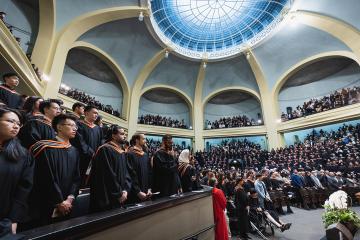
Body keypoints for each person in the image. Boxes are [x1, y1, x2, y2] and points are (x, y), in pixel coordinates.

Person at [29, 114, 80, 226]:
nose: (75, 128)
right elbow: (45, 177)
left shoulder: (74, 151)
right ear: (59, 127)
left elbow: (76, 178)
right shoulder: (45, 147)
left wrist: (70, 198)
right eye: (71, 125)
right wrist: (59, 202)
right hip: (45, 202)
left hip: (67, 203)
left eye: (75, 126)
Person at [0, 108, 34, 236]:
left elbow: (23, 189)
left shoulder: (23, 155)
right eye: (10, 121)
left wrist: (13, 219)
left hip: (3, 221)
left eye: (19, 124)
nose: (16, 126)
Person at [89, 125, 131, 212]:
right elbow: (108, 174)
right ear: (113, 136)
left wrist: (125, 190)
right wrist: (118, 194)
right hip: (107, 195)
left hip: (121, 194)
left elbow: (126, 172)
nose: (125, 136)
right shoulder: (105, 149)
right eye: (122, 134)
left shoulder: (122, 152)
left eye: (125, 134)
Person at [71, 105, 103, 184]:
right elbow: (79, 141)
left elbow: (101, 142)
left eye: (97, 114)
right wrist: (91, 153)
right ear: (86, 113)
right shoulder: (78, 125)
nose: (96, 115)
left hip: (94, 159)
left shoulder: (98, 128)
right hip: (80, 157)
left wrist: (97, 154)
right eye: (94, 113)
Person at [127, 133, 152, 202]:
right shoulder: (130, 154)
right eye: (143, 139)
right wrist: (138, 191)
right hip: (135, 192)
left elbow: (149, 172)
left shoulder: (145, 155)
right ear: (137, 140)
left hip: (146, 191)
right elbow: (130, 174)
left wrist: (149, 188)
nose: (145, 141)